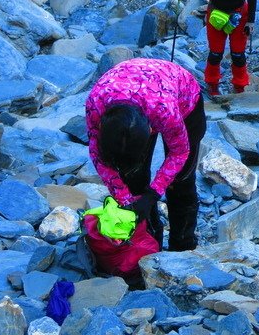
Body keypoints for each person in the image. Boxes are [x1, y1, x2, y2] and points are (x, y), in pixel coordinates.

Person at [85, 58, 206, 252]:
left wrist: (152, 194)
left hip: (184, 99)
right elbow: (98, 155)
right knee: (133, 181)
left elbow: (180, 152)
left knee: (180, 181)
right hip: (130, 93)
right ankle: (149, 246)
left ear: (150, 129)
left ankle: (183, 246)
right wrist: (125, 198)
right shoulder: (96, 105)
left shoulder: (164, 112)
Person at [176, 0, 257, 96]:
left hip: (239, 15)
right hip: (216, 14)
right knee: (215, 53)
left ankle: (239, 85)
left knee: (238, 54)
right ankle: (212, 84)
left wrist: (250, 21)